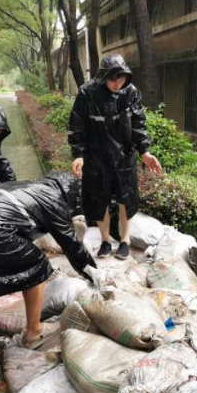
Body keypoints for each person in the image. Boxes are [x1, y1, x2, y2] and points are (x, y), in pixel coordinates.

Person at [0, 171, 100, 350]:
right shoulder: (55, 200)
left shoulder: (30, 185)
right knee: (36, 266)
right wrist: (93, 272)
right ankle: (34, 332)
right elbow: (71, 244)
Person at [68, 54, 162, 260]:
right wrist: (78, 155)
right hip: (95, 156)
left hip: (124, 156)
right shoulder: (87, 93)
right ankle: (105, 241)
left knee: (124, 199)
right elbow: (76, 124)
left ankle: (125, 241)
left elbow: (138, 123)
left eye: (122, 78)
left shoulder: (131, 92)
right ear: (104, 77)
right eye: (113, 78)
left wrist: (144, 151)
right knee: (99, 198)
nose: (117, 83)